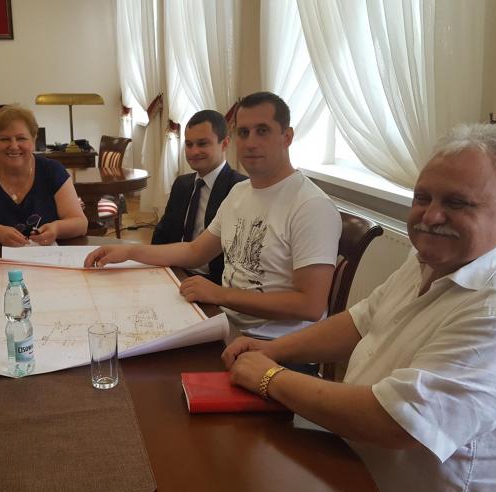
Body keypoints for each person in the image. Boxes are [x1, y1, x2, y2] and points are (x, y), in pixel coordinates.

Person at [221, 123, 496, 492]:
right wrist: (273, 350)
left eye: (456, 203)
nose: (431, 216)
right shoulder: (439, 254)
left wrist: (270, 377)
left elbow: (397, 422)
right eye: (423, 198)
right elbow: (364, 319)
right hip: (356, 463)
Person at [86, 92, 341, 339]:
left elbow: (310, 305)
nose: (250, 143)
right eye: (243, 132)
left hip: (273, 344)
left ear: (287, 137)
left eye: (262, 131)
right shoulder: (240, 192)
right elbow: (195, 252)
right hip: (224, 322)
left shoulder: (311, 206)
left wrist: (219, 294)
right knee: (120, 322)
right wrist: (129, 252)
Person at [0, 104, 88, 247]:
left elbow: (80, 223)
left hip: (47, 256)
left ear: (33, 140)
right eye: (4, 139)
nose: (14, 146)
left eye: (21, 138)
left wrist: (57, 229)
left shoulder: (53, 171)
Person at [151, 109, 247, 284]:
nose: (194, 151)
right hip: (174, 272)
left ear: (225, 144)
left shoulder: (240, 189)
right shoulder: (182, 184)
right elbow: (162, 234)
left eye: (202, 144)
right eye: (189, 145)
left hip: (215, 283)